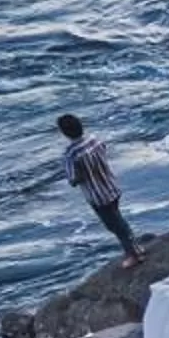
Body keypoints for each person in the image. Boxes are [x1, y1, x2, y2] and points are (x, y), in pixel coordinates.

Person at [56, 114, 141, 265]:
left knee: (114, 225)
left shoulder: (70, 154)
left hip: (97, 196)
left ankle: (132, 254)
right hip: (111, 186)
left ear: (64, 133)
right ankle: (135, 247)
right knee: (118, 218)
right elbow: (104, 151)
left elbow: (73, 180)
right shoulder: (95, 140)